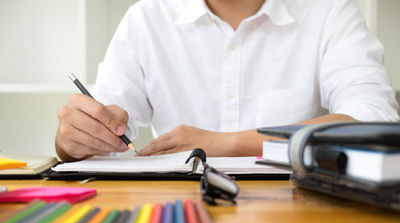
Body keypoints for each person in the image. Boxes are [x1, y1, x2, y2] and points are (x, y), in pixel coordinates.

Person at [55, 0, 399, 162]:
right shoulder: (147, 18)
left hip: (295, 202)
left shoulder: (329, 12)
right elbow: (102, 123)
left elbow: (373, 117)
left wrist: (228, 143)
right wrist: (75, 140)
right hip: (174, 206)